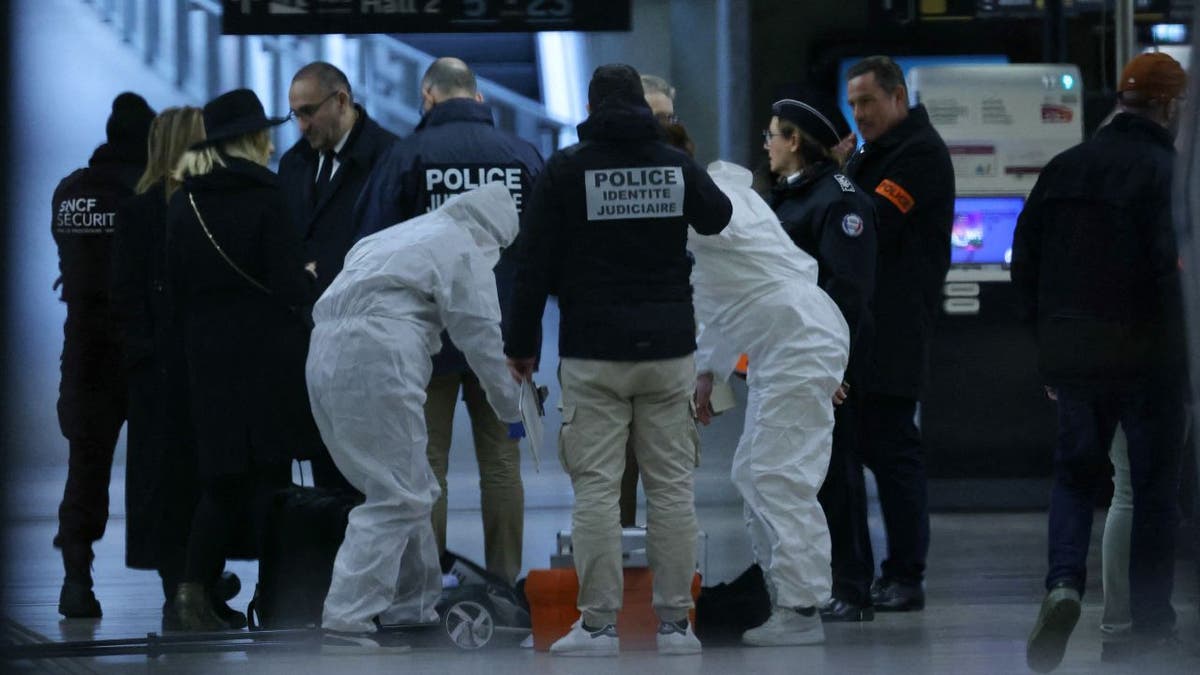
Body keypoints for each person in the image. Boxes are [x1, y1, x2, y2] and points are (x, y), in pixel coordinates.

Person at [505, 64, 733, 656]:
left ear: (592, 104)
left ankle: (599, 625)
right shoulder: (675, 164)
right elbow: (718, 217)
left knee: (597, 494)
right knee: (673, 490)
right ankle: (677, 625)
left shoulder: (566, 168)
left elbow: (532, 265)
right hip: (668, 350)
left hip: (593, 351)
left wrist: (520, 345)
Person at [1012, 52, 1189, 672]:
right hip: (1150, 358)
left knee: (1074, 477)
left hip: (1074, 355)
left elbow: (1023, 264)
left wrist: (1049, 349)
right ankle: (1146, 629)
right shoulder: (1169, 172)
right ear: (1169, 107)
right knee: (1151, 493)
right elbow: (1176, 275)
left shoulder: (1064, 167)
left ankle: (1063, 584)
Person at [310, 183, 524, 653]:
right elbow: (484, 343)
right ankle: (347, 618)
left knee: (408, 486)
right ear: (496, 235)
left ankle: (413, 607)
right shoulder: (465, 248)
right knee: (399, 494)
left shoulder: (398, 235)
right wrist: (514, 411)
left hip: (323, 354)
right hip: (380, 354)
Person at [356, 57, 543, 584]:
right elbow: (542, 252)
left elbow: (374, 246)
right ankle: (505, 583)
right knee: (502, 466)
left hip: (427, 339)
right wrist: (531, 341)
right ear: (479, 99)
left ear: (428, 97)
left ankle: (428, 586)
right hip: (504, 343)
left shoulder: (407, 156)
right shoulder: (521, 155)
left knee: (428, 466)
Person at [166, 89, 319, 630]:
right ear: (250, 139)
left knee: (220, 481)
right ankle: (278, 597)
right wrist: (305, 278)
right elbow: (284, 282)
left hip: (207, 356)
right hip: (267, 355)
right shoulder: (265, 194)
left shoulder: (183, 201)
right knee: (274, 479)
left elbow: (175, 283)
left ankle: (190, 595)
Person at [688, 151, 850, 646]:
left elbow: (715, 303)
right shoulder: (733, 220)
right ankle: (783, 595)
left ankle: (801, 609)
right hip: (789, 341)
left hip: (797, 341)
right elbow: (722, 305)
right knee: (754, 472)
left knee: (779, 477)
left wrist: (707, 372)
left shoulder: (724, 214)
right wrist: (707, 375)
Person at [842, 55, 954, 612]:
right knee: (862, 450)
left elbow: (867, 223)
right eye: (853, 103)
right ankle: (863, 574)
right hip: (863, 332)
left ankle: (906, 574)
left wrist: (835, 178)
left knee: (892, 452)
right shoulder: (874, 153)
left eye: (867, 102)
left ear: (897, 99)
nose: (858, 113)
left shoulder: (919, 155)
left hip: (896, 331)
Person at [762, 97, 879, 623]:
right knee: (801, 472)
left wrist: (832, 369)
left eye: (772, 135)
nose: (765, 144)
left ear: (793, 142)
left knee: (837, 473)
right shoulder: (792, 197)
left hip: (826, 360)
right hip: (793, 356)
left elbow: (845, 292)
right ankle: (814, 579)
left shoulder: (838, 201)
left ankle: (852, 587)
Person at [110, 106, 226, 630]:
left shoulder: (137, 210)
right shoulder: (210, 206)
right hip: (199, 366)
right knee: (210, 481)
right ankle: (196, 586)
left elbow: (125, 297)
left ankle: (180, 589)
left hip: (155, 374)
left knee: (162, 485)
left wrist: (142, 356)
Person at [51, 91, 155, 618]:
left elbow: (72, 265)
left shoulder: (69, 191)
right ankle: (181, 582)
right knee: (160, 465)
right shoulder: (146, 193)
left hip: (83, 351)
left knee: (85, 466)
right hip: (138, 347)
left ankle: (75, 579)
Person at [277, 61, 398, 493]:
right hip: (309, 340)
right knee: (323, 467)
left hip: (367, 341)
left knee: (367, 475)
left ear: (341, 100)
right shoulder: (294, 165)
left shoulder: (390, 159)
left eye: (308, 111)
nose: (301, 124)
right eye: (295, 114)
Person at [620, 72, 678, 528]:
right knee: (612, 474)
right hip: (609, 342)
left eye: (668, 117)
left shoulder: (685, 169)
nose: (661, 127)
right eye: (652, 116)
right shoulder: (593, 167)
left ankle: (672, 587)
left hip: (671, 341)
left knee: (670, 475)